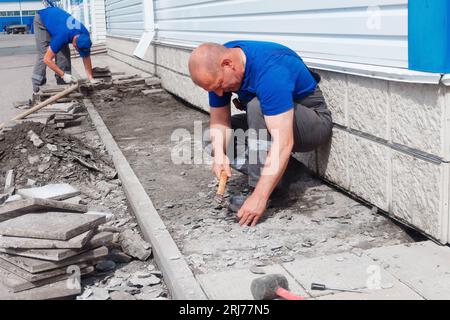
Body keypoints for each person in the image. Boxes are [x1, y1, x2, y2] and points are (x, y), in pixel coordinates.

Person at [188, 40, 333, 227]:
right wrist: (220, 154)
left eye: (219, 85)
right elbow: (220, 123)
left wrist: (259, 196)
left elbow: (283, 141)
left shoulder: (271, 69)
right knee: (211, 137)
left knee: (257, 106)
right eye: (212, 89)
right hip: (272, 119)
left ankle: (264, 190)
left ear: (228, 64)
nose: (218, 92)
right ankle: (284, 172)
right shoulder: (220, 63)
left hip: (313, 122)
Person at [31, 6, 94, 93]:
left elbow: (86, 57)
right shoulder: (62, 36)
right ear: (75, 44)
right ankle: (37, 86)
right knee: (43, 54)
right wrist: (63, 75)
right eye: (79, 50)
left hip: (57, 22)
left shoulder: (85, 34)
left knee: (64, 55)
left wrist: (91, 79)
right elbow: (47, 60)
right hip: (42, 20)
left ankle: (64, 85)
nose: (80, 53)